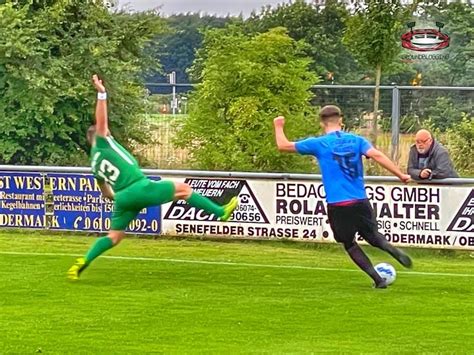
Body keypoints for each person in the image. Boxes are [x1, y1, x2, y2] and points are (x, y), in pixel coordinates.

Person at [67, 75, 238, 280]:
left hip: (123, 197)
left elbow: (105, 193)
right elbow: (101, 120)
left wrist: (121, 199)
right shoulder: (103, 142)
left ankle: (83, 262)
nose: (109, 132)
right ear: (100, 135)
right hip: (139, 187)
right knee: (183, 189)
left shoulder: (94, 162)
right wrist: (101, 93)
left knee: (113, 236)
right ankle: (220, 212)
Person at [273, 105, 412, 288]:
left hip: (338, 203)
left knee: (349, 243)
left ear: (322, 123)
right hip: (360, 200)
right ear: (341, 120)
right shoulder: (357, 140)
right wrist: (400, 175)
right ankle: (392, 250)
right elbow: (377, 155)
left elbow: (283, 146)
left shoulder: (319, 143)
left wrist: (278, 126)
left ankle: (378, 280)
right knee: (373, 236)